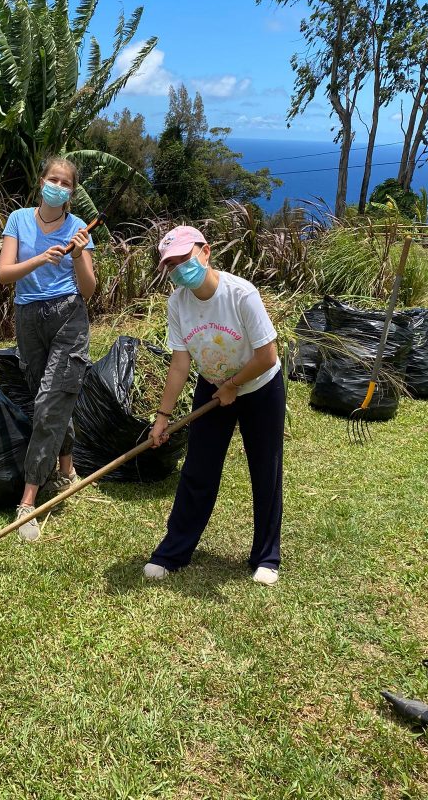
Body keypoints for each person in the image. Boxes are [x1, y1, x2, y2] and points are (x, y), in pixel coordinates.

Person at [143, 225, 284, 586]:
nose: (179, 269)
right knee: (198, 469)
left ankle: (266, 557)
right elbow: (180, 364)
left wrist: (234, 386)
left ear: (205, 252)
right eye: (170, 264)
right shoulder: (178, 303)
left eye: (184, 258)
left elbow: (267, 355)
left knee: (265, 470)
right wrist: (162, 417)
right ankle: (173, 552)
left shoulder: (241, 294)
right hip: (212, 386)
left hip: (260, 387)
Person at [0, 157, 96, 541]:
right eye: (53, 179)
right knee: (48, 396)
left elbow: (88, 290)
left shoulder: (78, 229)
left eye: (65, 183)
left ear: (72, 192)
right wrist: (41, 257)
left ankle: (29, 500)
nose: (58, 186)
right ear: (41, 182)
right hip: (28, 317)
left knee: (50, 401)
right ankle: (66, 469)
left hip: (69, 316)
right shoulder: (18, 220)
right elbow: (4, 274)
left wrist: (77, 255)